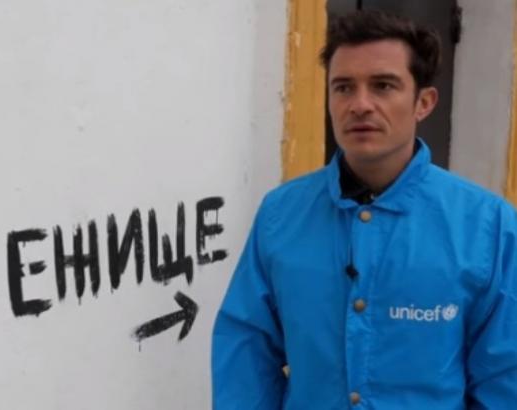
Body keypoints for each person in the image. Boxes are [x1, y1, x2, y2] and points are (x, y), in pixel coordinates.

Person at [212, 9, 517, 409]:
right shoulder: (280, 215)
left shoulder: (487, 226)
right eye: (343, 87)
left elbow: (504, 376)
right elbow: (247, 349)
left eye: (383, 86)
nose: (360, 105)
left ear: (424, 102)